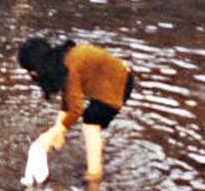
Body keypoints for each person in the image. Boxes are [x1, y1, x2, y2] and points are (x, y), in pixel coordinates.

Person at [17, 36, 135, 183]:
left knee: (91, 122)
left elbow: (76, 109)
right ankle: (94, 169)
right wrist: (58, 130)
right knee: (91, 118)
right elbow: (68, 98)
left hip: (120, 83)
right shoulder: (63, 60)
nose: (32, 75)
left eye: (31, 71)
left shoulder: (70, 68)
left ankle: (94, 176)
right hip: (113, 79)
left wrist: (55, 132)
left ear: (38, 68)